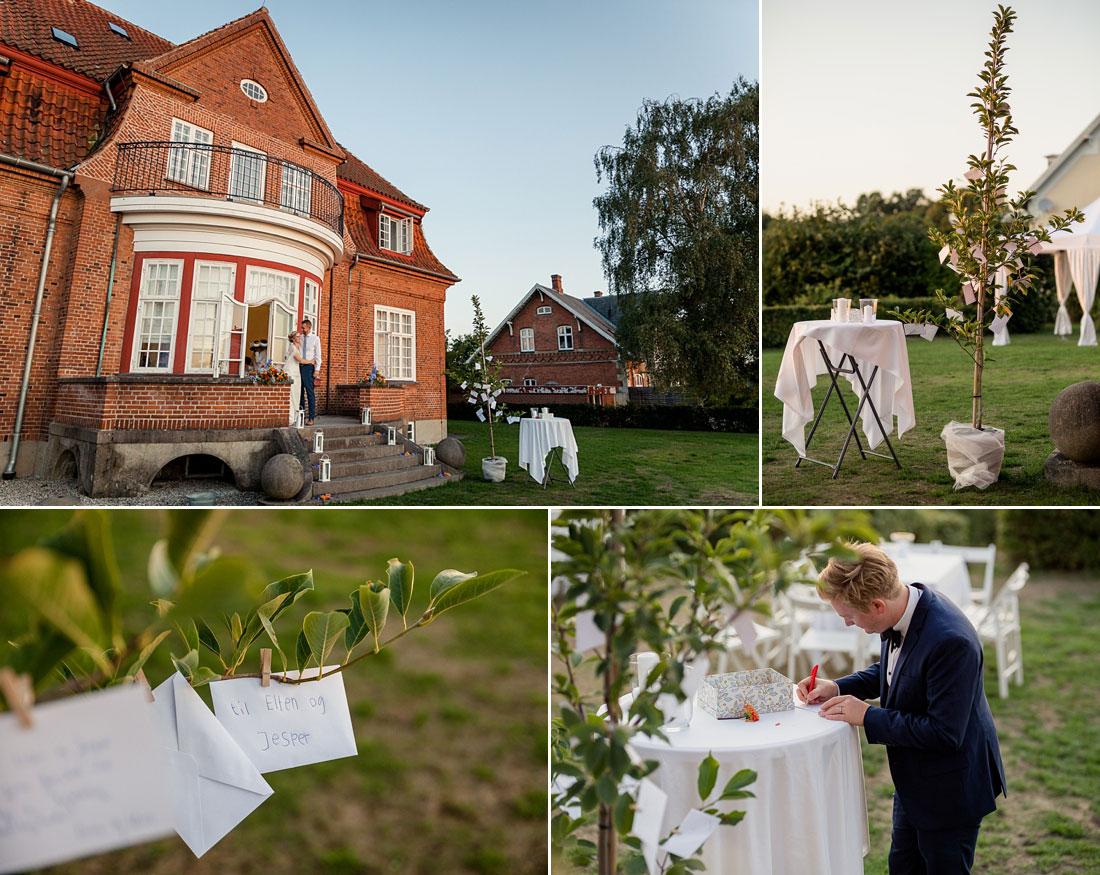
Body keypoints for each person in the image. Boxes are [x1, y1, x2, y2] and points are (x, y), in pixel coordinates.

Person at [796, 542, 1005, 874]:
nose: (849, 624)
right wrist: (837, 686)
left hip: (951, 786)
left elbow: (944, 732)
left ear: (877, 605)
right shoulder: (903, 607)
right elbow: (894, 669)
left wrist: (866, 715)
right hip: (914, 780)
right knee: (903, 865)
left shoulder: (952, 642)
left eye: (849, 616)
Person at [299, 318, 322, 425]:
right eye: (301, 327)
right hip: (299, 367)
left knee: (309, 393)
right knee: (300, 393)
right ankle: (301, 416)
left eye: (303, 328)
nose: (301, 329)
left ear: (309, 327)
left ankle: (311, 418)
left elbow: (318, 355)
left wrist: (317, 370)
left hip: (309, 368)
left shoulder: (315, 339)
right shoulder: (300, 338)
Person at [284, 331, 310, 426]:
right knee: (292, 396)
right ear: (293, 338)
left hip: (296, 373)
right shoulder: (292, 347)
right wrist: (311, 361)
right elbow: (300, 360)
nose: (299, 338)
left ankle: (295, 417)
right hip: (291, 373)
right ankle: (291, 418)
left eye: (299, 337)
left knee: (296, 395)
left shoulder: (297, 348)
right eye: (297, 337)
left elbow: (285, 357)